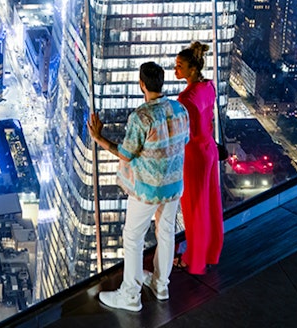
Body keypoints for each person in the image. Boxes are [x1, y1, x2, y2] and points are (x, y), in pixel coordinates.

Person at [88, 61, 190, 311]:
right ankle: (161, 285)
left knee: (132, 237)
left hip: (147, 189)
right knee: (166, 233)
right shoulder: (179, 110)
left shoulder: (141, 117)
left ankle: (130, 295)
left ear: (141, 84)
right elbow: (183, 141)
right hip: (174, 185)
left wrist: (98, 137)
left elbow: (126, 153)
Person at [175, 41, 224, 274]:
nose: (176, 70)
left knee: (194, 208)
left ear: (192, 69)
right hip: (210, 149)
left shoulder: (185, 99)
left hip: (194, 154)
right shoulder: (209, 87)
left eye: (180, 65)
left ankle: (192, 259)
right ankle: (211, 251)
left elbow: (185, 134)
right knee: (211, 203)